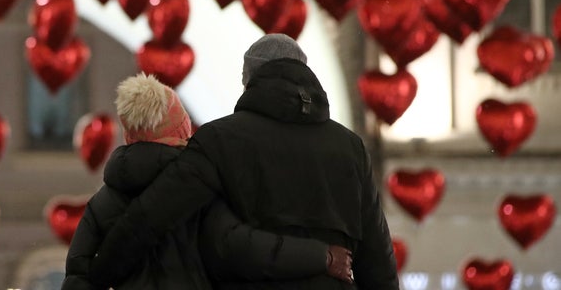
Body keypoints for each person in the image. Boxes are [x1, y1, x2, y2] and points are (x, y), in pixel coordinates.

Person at [88, 33, 399, 289]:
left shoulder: (220, 140)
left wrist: (101, 274)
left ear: (249, 80)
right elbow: (377, 257)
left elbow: (152, 215)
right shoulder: (350, 148)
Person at [62, 73, 355, 289]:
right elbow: (245, 248)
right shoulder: (200, 192)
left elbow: (78, 276)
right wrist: (321, 256)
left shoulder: (102, 203)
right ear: (181, 133)